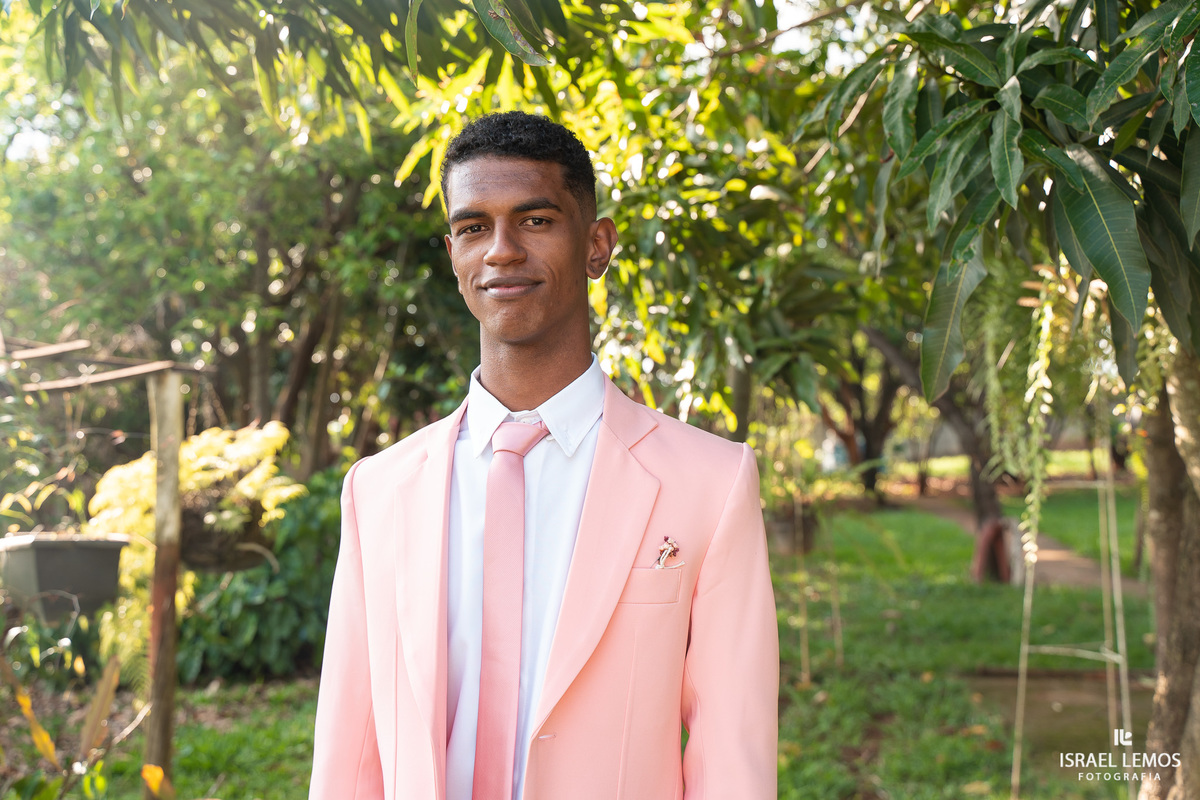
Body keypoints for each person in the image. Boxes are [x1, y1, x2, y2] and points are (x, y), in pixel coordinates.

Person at [309, 111, 778, 800]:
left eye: (535, 221)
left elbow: (731, 758)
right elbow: (351, 752)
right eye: (473, 227)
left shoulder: (710, 483)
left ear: (597, 245)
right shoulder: (378, 491)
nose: (500, 250)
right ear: (452, 254)